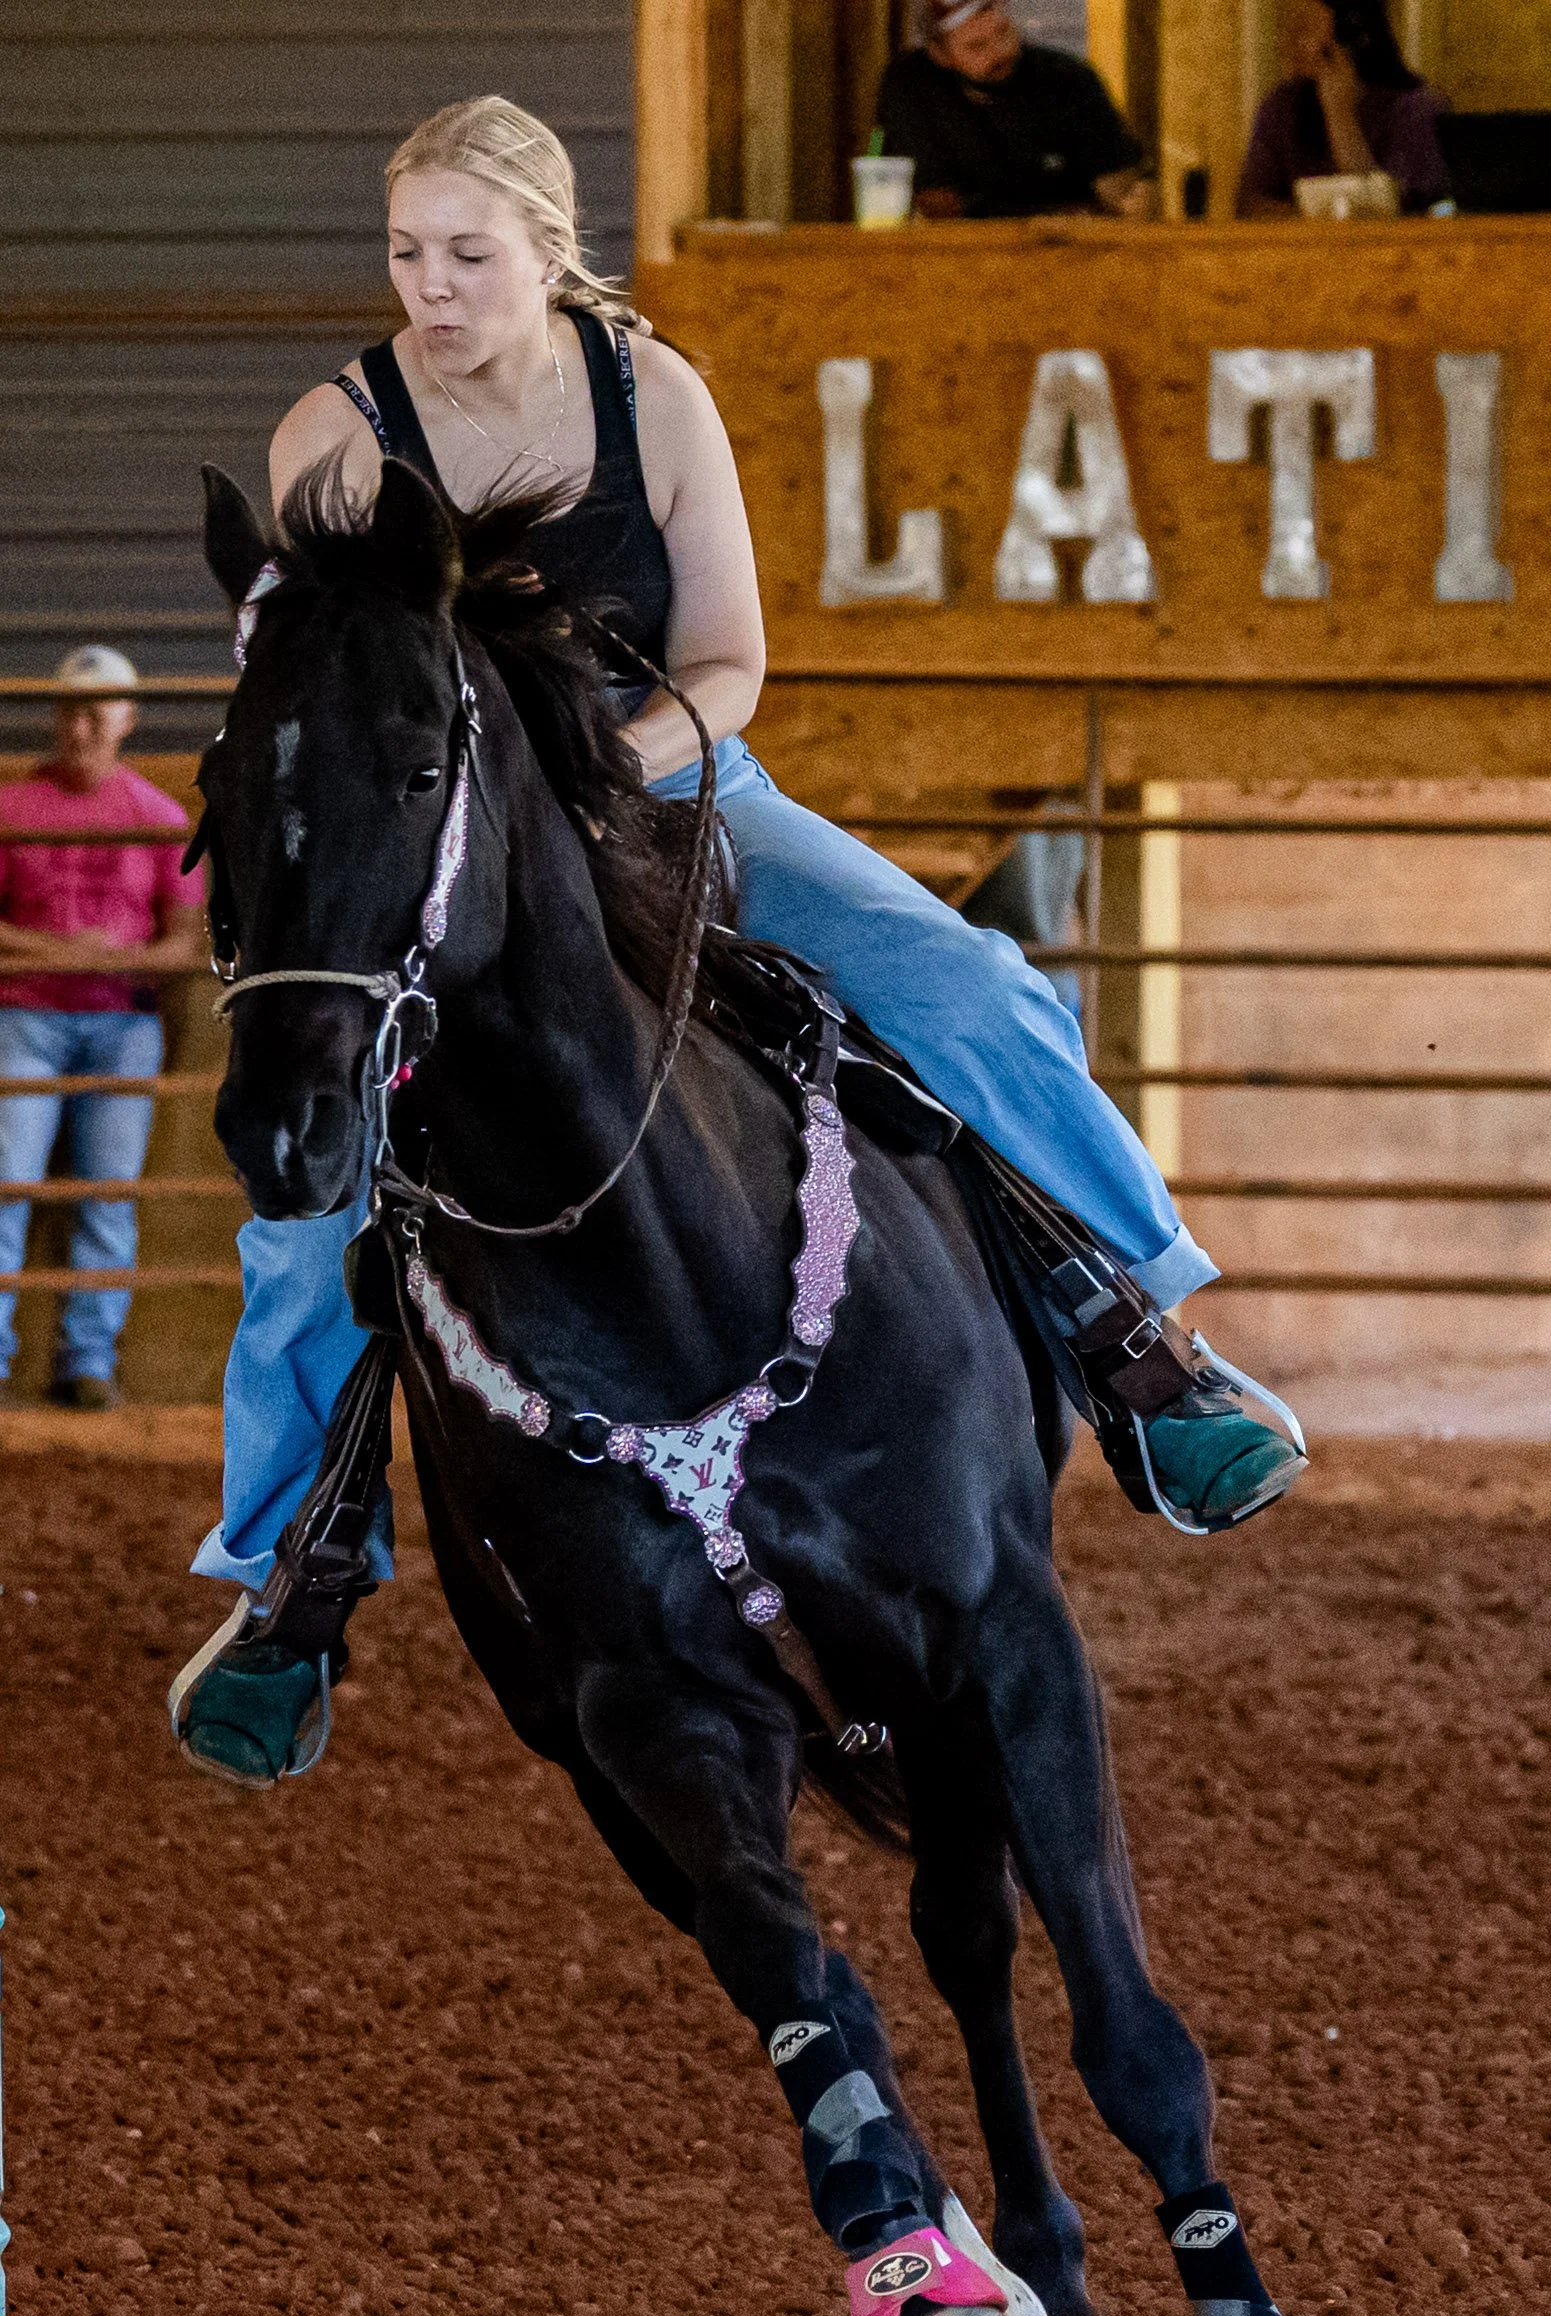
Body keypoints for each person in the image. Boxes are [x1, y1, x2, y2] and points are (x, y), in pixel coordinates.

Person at [179, 94, 1302, 1779]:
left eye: (468, 254)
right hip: (446, 845)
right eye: (408, 252)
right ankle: (289, 1572)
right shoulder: (333, 444)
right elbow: (335, 700)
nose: (432, 284)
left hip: (681, 784)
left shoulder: (657, 398)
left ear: (548, 252)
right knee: (307, 1186)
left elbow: (726, 665)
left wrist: (589, 782)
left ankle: (1145, 1343)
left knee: (965, 980)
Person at [0, 646, 204, 1408]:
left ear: (126, 719)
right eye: (70, 710)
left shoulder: (161, 818)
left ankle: (87, 1362)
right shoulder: (13, 809)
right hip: (27, 1016)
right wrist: (76, 951)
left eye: (97, 711)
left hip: (122, 1023)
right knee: (8, 1185)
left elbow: (185, 942)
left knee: (107, 1193)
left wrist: (130, 958)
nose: (81, 726)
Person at [875, 0, 1153, 220]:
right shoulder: (911, 84)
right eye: (977, 46)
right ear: (940, 55)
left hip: (1071, 253)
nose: (1000, 52)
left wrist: (1132, 202)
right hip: (962, 254)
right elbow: (937, 204)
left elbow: (1117, 185)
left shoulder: (1068, 79)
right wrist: (1054, 216)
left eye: (1004, 32)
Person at [1236, 0, 1449, 217]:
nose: (1289, 41)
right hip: (1299, 247)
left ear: (1350, 40)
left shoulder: (1414, 109)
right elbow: (1250, 206)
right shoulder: (1280, 107)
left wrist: (1340, 115)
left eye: (1304, 30)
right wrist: (1312, 218)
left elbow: (1391, 212)